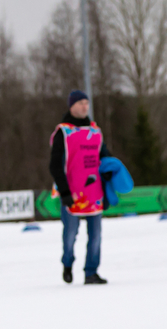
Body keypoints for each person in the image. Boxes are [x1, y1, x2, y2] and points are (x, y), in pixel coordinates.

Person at [49, 89, 110, 285]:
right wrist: (64, 191)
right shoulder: (63, 132)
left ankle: (91, 271)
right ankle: (67, 263)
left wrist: (108, 187)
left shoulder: (95, 131)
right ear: (72, 106)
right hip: (72, 192)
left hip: (94, 191)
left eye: (87, 103)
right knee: (70, 234)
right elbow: (55, 165)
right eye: (80, 103)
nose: (85, 106)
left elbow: (106, 160)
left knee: (96, 235)